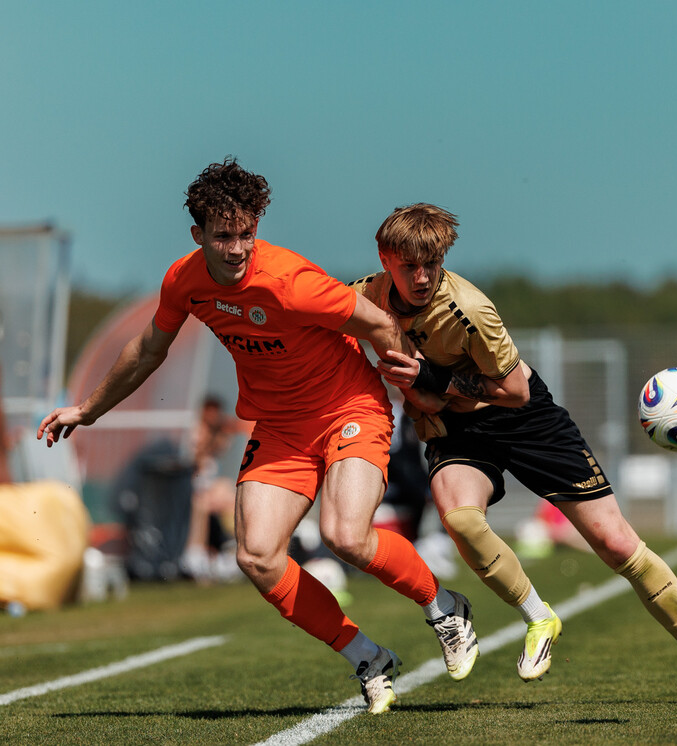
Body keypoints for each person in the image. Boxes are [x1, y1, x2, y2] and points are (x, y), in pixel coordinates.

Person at [37, 159, 478, 714]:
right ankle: (368, 657)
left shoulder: (291, 281)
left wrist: (423, 395)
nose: (238, 247)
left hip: (350, 406)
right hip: (281, 424)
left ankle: (444, 607)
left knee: (345, 534)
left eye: (247, 233)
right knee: (257, 555)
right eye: (223, 236)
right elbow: (150, 348)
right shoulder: (184, 280)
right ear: (198, 236)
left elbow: (381, 324)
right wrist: (87, 409)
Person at [357, 203, 677, 705]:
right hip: (456, 428)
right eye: (410, 265)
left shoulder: (469, 309)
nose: (422, 276)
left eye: (432, 263)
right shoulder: (364, 295)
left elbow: (516, 390)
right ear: (385, 259)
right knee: (459, 517)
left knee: (617, 544)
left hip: (523, 419)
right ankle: (538, 616)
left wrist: (437, 380)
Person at [180, 394, 239, 582]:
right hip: (191, 488)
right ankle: (194, 556)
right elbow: (191, 462)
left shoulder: (217, 435)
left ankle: (232, 552)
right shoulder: (196, 432)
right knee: (203, 503)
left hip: (207, 489)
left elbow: (222, 446)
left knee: (232, 495)